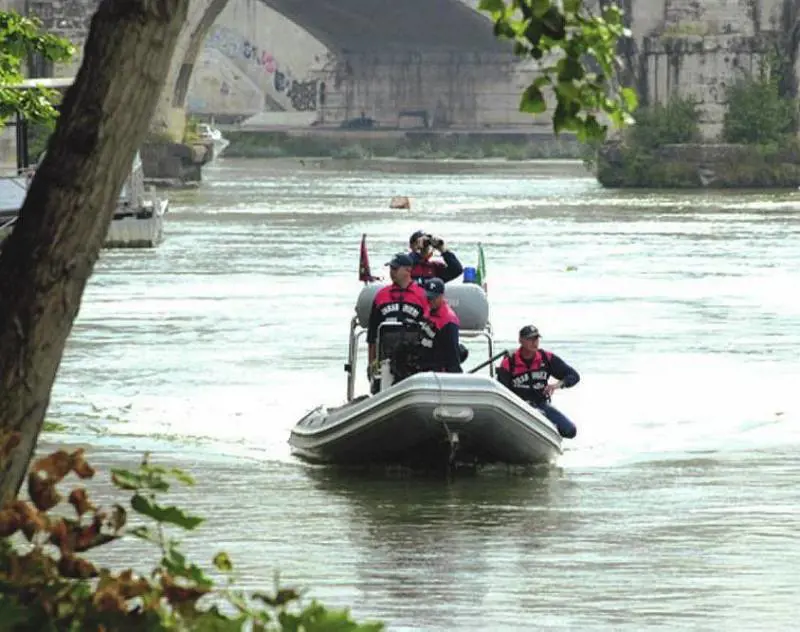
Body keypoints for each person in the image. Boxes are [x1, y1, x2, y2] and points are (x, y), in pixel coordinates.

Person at [496, 325, 580, 438]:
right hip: (518, 407)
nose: (534, 342)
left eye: (536, 339)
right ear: (521, 340)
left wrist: (556, 385)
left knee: (570, 431)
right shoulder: (509, 363)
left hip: (541, 404)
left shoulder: (546, 358)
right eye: (530, 339)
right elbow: (501, 390)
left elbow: (573, 375)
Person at [366, 252, 430, 388]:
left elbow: (430, 329)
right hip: (385, 358)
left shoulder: (422, 296)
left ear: (408, 270)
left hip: (413, 357)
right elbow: (372, 335)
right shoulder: (381, 296)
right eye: (391, 269)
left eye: (395, 269)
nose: (391, 272)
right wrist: (371, 363)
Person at [419, 277, 463, 373]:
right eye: (429, 298)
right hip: (423, 362)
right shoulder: (428, 310)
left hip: (438, 368)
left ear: (442, 296)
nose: (431, 301)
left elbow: (452, 355)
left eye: (435, 297)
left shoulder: (449, 321)